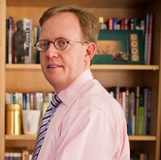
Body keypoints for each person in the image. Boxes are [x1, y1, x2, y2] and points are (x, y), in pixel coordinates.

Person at [32, 4, 130, 160]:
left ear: (88, 52)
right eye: (44, 44)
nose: (49, 52)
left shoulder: (91, 111)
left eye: (62, 43)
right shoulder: (65, 104)